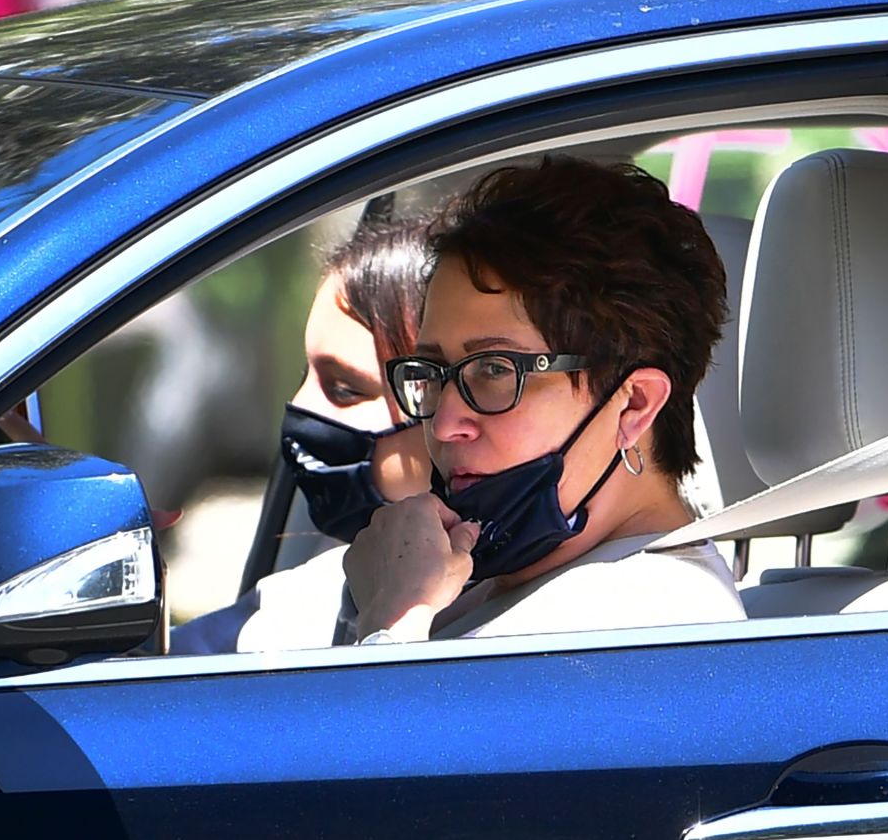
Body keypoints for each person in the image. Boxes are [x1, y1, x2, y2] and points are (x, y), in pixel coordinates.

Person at [343, 155, 742, 642]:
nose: (445, 423)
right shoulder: (486, 584)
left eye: (495, 370)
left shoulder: (650, 627)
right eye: (433, 372)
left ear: (635, 404)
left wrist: (392, 621)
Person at [170, 213, 432, 654]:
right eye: (305, 374)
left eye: (346, 388)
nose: (303, 408)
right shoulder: (323, 589)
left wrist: (392, 624)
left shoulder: (553, 626)